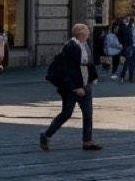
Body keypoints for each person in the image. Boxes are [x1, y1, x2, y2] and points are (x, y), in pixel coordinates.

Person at [39, 23, 101, 151]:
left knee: (88, 114)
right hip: (72, 87)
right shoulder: (71, 47)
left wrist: (93, 77)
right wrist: (76, 87)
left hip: (85, 84)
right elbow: (69, 69)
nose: (88, 33)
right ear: (81, 33)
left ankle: (87, 141)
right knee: (66, 113)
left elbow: (89, 63)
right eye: (86, 31)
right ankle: (46, 134)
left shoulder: (85, 45)